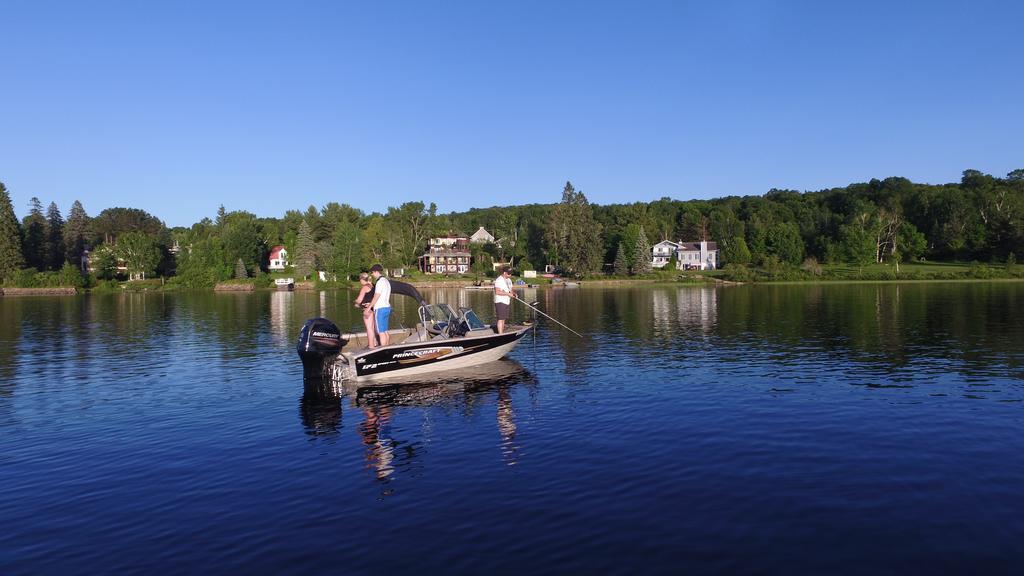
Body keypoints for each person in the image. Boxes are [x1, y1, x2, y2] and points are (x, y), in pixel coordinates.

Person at [368, 264, 392, 346]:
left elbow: (376, 296)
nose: (372, 274)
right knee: (385, 331)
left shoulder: (379, 282)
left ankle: (384, 350)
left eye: (372, 272)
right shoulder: (386, 281)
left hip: (380, 309)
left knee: (380, 332)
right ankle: (387, 347)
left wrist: (369, 307)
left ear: (376, 271)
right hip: (387, 307)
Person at [354, 272, 378, 348]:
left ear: (362, 279)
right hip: (373, 308)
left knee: (369, 328)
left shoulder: (365, 287)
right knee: (373, 327)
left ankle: (371, 346)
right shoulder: (373, 285)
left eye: (360, 279)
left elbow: (359, 300)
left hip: (367, 310)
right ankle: (374, 343)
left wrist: (356, 303)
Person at [493, 266, 514, 334]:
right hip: (500, 301)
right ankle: (500, 334)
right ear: (505, 273)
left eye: (511, 273)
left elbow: (510, 290)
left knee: (504, 318)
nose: (510, 275)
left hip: (506, 302)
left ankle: (502, 332)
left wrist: (513, 294)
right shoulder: (499, 280)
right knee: (500, 319)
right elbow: (497, 292)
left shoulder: (509, 280)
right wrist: (507, 294)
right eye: (509, 273)